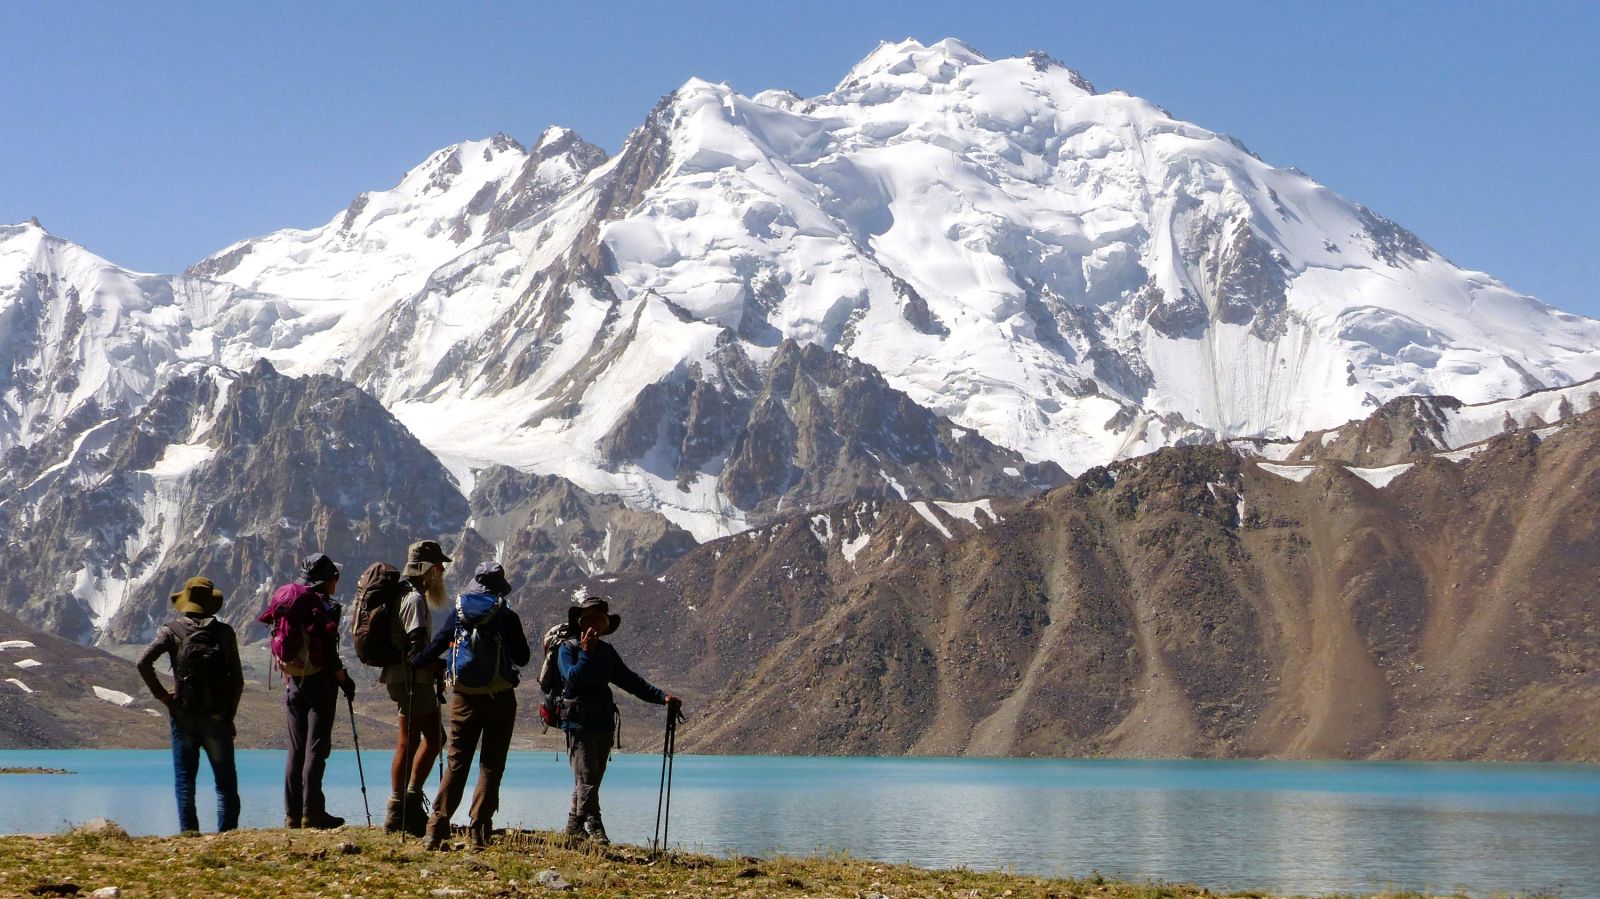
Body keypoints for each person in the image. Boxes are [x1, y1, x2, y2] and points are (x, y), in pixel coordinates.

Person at [411, 561, 531, 849]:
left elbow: (437, 645)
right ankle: (479, 830)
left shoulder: (460, 611)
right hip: (500, 698)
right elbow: (523, 657)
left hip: (464, 698)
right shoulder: (506, 614)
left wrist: (416, 661)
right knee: (491, 764)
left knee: (457, 761)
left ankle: (436, 828)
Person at [557, 596, 682, 844]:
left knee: (591, 779)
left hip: (603, 724)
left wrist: (662, 698)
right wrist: (586, 653)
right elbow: (572, 679)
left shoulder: (607, 652)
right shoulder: (568, 649)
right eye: (589, 620)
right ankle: (595, 827)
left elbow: (630, 681)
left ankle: (573, 827)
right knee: (587, 778)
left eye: (599, 621)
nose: (594, 625)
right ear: (581, 623)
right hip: (578, 724)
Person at [136, 576, 244, 834]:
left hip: (183, 714)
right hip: (217, 716)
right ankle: (227, 836)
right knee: (225, 783)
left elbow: (142, 663)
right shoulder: (225, 633)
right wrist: (228, 716)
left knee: (185, 781)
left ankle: (188, 834)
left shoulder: (171, 631)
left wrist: (164, 697)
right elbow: (237, 680)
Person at [259, 552, 355, 829]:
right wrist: (344, 681)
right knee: (316, 748)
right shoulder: (322, 606)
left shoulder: (289, 601)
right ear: (326, 580)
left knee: (295, 749)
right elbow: (330, 654)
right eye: (335, 576)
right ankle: (312, 812)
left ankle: (292, 814)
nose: (337, 581)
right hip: (319, 682)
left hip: (293, 682)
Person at [382, 539, 452, 835]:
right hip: (413, 680)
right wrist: (437, 665)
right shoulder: (415, 600)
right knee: (434, 738)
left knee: (409, 740)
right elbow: (416, 651)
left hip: (399, 677)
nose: (442, 573)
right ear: (428, 569)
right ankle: (407, 804)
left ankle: (398, 809)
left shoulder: (403, 595)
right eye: (439, 567)